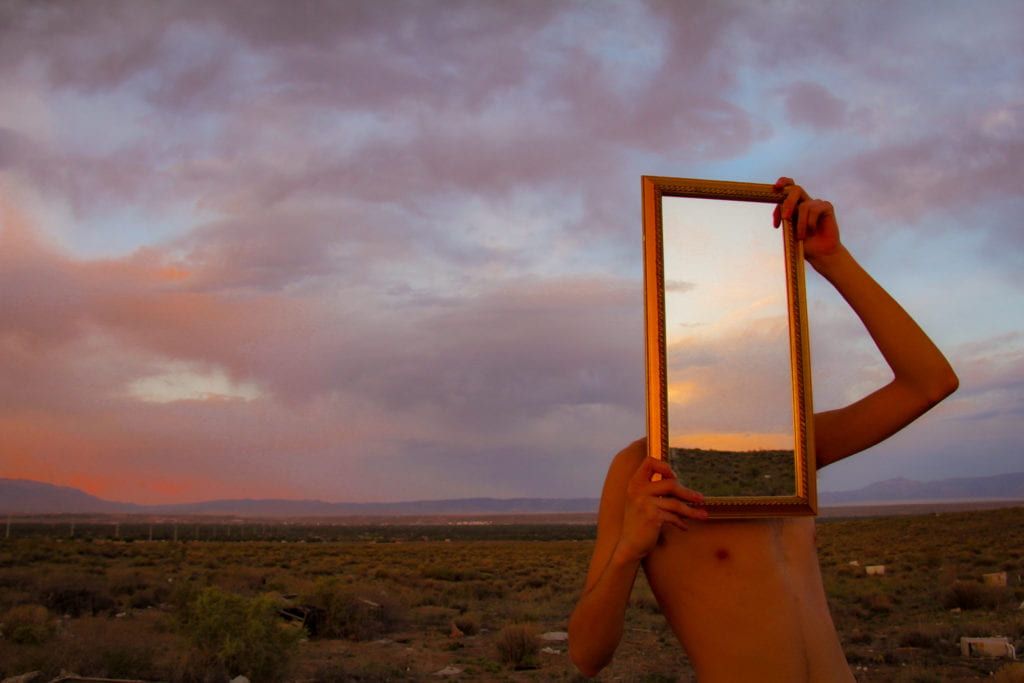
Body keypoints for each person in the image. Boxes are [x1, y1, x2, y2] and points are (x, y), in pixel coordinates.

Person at [568, 177, 959, 681]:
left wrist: (832, 259)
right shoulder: (641, 471)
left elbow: (930, 383)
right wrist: (628, 552)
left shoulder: (790, 447)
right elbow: (585, 655)